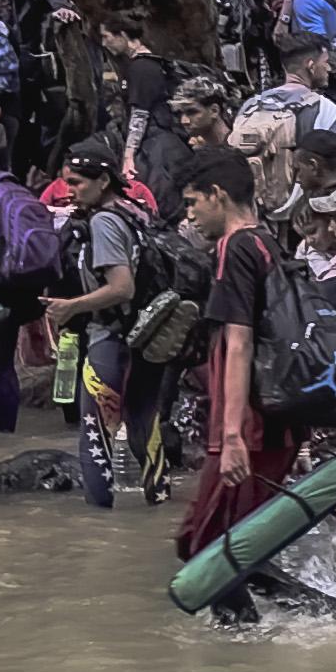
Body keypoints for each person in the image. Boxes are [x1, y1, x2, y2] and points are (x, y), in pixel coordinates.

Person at [173, 145, 296, 560]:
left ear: (217, 195)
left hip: (249, 428)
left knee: (209, 549)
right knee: (232, 545)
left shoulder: (235, 248)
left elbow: (239, 342)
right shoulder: (267, 243)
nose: (189, 215)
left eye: (193, 203)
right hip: (277, 422)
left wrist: (231, 438)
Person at [46, 142, 153, 510]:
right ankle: (159, 504)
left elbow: (122, 287)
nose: (68, 191)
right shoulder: (132, 211)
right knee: (145, 429)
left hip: (111, 335)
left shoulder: (104, 221)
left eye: (76, 182)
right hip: (146, 333)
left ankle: (99, 519)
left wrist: (71, 307)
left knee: (95, 436)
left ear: (103, 180)